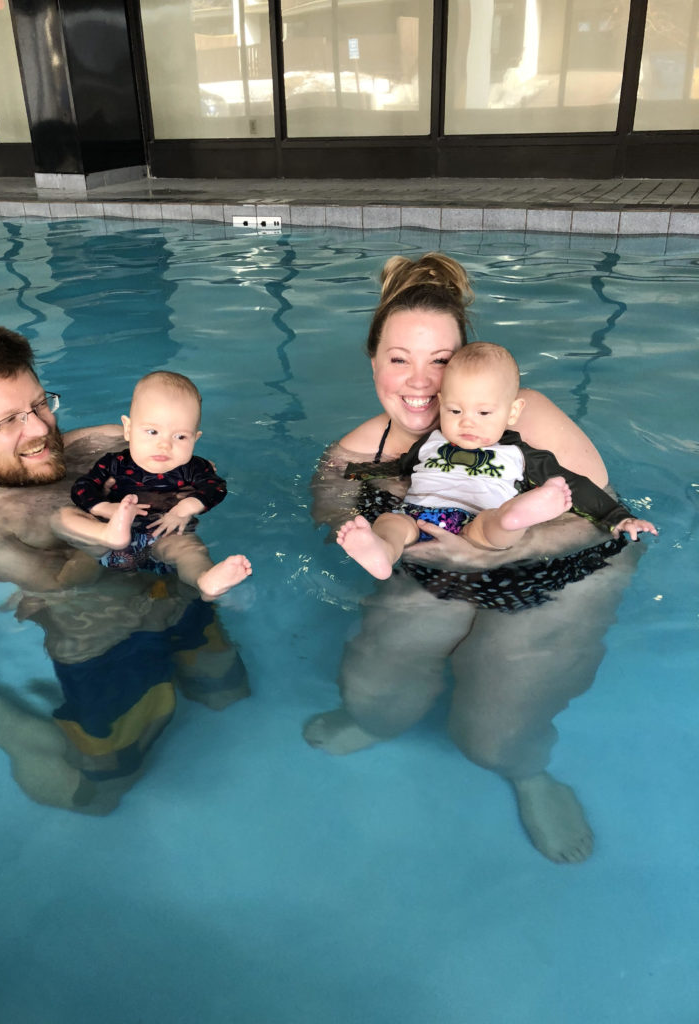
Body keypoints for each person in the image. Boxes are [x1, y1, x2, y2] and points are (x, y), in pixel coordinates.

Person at [306, 253, 651, 864]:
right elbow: (343, 528)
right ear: (373, 361)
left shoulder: (527, 415)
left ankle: (527, 771)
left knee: (491, 733)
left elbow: (606, 526)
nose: (421, 382)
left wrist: (494, 549)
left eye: (440, 361)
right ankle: (379, 720)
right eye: (399, 359)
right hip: (439, 562)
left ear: (467, 362)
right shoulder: (349, 459)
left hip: (559, 565)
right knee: (373, 688)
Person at [0, 322, 249, 813]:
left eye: (39, 404)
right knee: (96, 793)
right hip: (102, 642)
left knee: (227, 694)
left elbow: (186, 485)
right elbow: (62, 586)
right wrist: (93, 537)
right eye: (8, 420)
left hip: (179, 600)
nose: (39, 429)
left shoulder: (103, 447)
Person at [337, 342, 656, 579]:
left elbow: (576, 485)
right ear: (442, 405)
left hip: (475, 522)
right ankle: (381, 554)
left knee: (493, 527)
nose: (467, 422)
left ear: (512, 412)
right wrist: (359, 472)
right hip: (419, 513)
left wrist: (617, 517)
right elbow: (402, 466)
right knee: (391, 523)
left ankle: (516, 516)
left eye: (484, 412)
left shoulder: (518, 454)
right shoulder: (431, 442)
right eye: (455, 411)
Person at [55, 370, 252, 599]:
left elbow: (215, 487)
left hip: (167, 533)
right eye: (152, 432)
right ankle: (57, 591)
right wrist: (106, 508)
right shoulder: (115, 463)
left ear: (195, 439)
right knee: (78, 549)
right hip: (112, 535)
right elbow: (82, 487)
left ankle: (205, 580)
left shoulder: (194, 468)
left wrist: (184, 508)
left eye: (180, 437)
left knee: (190, 551)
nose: (164, 445)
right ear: (128, 429)